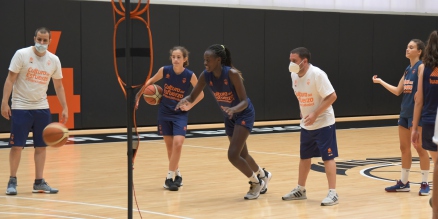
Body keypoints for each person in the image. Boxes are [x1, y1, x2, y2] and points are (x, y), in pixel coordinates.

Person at [175, 44, 272, 200]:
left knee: (233, 155)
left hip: (243, 114)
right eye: (204, 60)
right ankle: (263, 174)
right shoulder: (205, 75)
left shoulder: (232, 74)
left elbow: (244, 101)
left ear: (218, 60)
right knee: (242, 154)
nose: (205, 63)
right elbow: (193, 97)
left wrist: (234, 109)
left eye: (208, 60)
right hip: (230, 116)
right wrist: (185, 100)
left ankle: (256, 182)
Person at [1, 27, 68, 195]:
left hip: (42, 107)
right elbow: (10, 80)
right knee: (17, 146)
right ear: (34, 38)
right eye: (39, 39)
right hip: (21, 106)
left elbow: (58, 85)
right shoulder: (21, 54)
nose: (42, 43)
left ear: (49, 41)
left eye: (45, 40)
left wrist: (64, 106)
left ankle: (39, 182)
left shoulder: (54, 60)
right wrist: (4, 103)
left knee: (41, 146)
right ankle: (12, 181)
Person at [135, 46, 204, 191]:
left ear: (185, 59)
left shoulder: (190, 75)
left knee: (178, 143)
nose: (175, 59)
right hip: (164, 112)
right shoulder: (164, 71)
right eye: (173, 57)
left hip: (180, 113)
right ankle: (177, 175)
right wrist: (138, 96)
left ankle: (168, 178)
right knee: (169, 148)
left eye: (179, 57)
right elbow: (150, 82)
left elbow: (201, 94)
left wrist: (189, 106)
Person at [373, 39, 431, 195]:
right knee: (404, 148)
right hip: (404, 114)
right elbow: (398, 90)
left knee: (419, 148)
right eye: (407, 47)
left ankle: (425, 183)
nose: (407, 49)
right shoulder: (407, 69)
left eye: (411, 47)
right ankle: (404, 182)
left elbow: (425, 91)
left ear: (419, 51)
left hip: (415, 114)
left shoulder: (421, 67)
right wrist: (380, 82)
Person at [282, 47, 339, 206]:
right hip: (307, 124)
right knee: (304, 157)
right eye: (290, 60)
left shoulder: (317, 75)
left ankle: (333, 193)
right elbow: (302, 96)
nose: (291, 63)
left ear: (304, 61)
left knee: (328, 157)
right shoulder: (294, 75)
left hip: (324, 122)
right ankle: (301, 189)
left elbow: (332, 96)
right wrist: (304, 112)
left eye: (294, 60)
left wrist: (315, 113)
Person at [410, 30, 438, 219]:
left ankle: (435, 201)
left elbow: (418, 99)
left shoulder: (423, 68)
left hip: (428, 121)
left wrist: (414, 128)